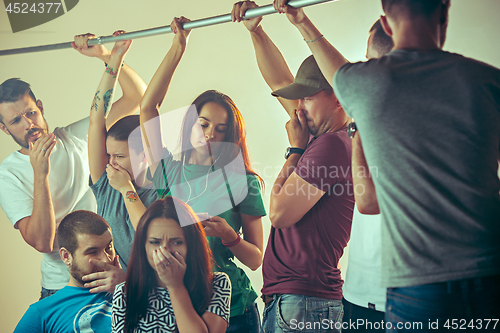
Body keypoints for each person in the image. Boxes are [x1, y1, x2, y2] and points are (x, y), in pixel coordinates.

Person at [274, 0, 500, 329]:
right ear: (443, 12)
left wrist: (300, 20)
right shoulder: (489, 81)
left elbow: (368, 202)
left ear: (387, 23)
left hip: (418, 284)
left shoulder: (367, 86)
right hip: (489, 273)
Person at [232, 2, 354, 332]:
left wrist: (294, 150)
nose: (298, 108)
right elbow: (279, 80)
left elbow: (280, 213)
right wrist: (257, 31)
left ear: (339, 98)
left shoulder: (330, 145)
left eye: (308, 97)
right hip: (300, 301)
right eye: (298, 99)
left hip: (304, 302)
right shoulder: (323, 130)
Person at [140, 17, 266, 333]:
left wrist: (230, 237)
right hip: (179, 306)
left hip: (235, 311)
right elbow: (147, 109)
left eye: (222, 129)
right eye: (204, 124)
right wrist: (178, 46)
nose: (210, 134)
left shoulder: (243, 182)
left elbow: (254, 259)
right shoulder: (168, 169)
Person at [0, 33, 144, 299]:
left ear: (40, 107)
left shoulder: (74, 137)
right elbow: (43, 242)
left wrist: (106, 56)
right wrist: (40, 173)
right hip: (62, 288)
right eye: (16, 120)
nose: (29, 124)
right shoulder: (7, 174)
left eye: (31, 112)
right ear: (4, 128)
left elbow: (137, 96)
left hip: (111, 275)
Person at [78, 31, 158, 274]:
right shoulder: (106, 183)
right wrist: (113, 59)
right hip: (117, 298)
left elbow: (151, 240)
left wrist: (127, 189)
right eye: (109, 155)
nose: (110, 164)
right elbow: (96, 119)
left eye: (120, 157)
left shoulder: (163, 189)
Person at [341, 19, 394, 332]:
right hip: (360, 294)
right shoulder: (361, 113)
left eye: (370, 60)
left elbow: (369, 202)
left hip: (404, 296)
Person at [112, 196, 231, 333]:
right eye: (155, 242)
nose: (165, 251)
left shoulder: (217, 283)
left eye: (176, 242)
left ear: (191, 245)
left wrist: (175, 286)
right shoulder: (125, 291)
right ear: (143, 246)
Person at [14, 210, 125, 333]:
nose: (106, 259)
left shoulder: (134, 291)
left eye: (108, 248)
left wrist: (127, 289)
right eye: (93, 252)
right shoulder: (42, 313)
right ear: (66, 256)